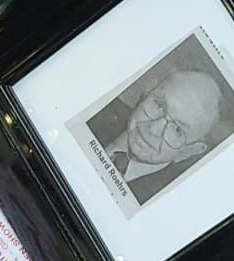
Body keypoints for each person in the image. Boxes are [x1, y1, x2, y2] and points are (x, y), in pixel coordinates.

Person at [94, 68, 225, 206]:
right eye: (159, 105)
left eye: (177, 130)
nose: (153, 130)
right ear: (147, 91)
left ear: (189, 151)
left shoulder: (165, 205)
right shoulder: (94, 109)